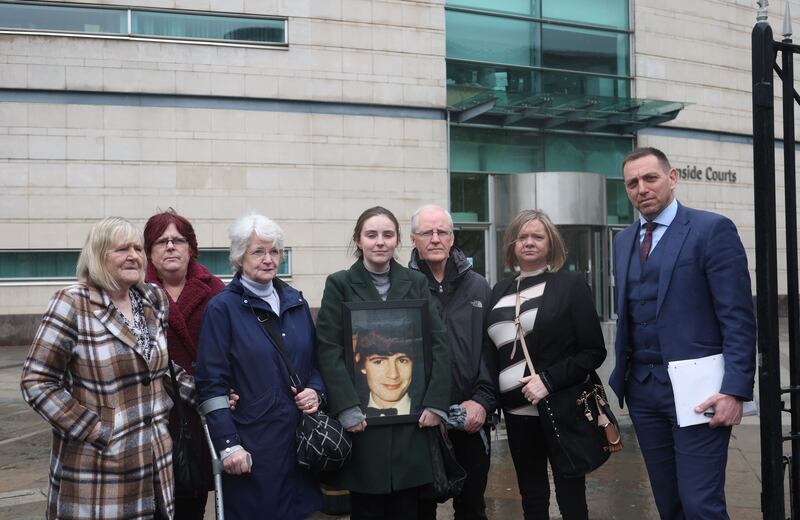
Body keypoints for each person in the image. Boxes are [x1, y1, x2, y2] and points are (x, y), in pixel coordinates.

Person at [609, 147, 756, 518]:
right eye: (632, 183)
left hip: (700, 391)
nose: (641, 188)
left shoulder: (711, 229)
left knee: (700, 503)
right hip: (643, 390)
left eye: (650, 178)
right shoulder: (623, 241)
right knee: (668, 503)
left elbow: (737, 317)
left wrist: (735, 390)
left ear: (672, 178)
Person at [21, 216, 195, 520]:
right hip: (98, 467)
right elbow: (36, 381)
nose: (134, 256)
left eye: (138, 249)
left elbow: (160, 369)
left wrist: (206, 393)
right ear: (99, 256)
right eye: (121, 249)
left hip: (155, 461)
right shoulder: (73, 302)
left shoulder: (152, 298)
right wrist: (95, 429)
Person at [315, 206, 451, 519]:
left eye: (387, 235)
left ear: (398, 241)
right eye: (371, 235)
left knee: (407, 509)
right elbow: (329, 349)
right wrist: (347, 407)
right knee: (367, 510)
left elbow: (439, 344)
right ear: (358, 240)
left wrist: (435, 403)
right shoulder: (339, 284)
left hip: (411, 425)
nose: (380, 242)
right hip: (362, 428)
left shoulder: (416, 282)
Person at [195, 213, 324, 520]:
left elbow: (316, 364)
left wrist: (317, 392)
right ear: (239, 257)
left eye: (274, 251)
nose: (268, 259)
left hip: (300, 445)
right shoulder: (222, 309)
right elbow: (210, 384)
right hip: (253, 448)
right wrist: (228, 446)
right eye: (257, 252)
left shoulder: (296, 302)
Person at [486, 209, 606, 520]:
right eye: (521, 237)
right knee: (532, 495)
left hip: (560, 408)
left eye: (537, 237)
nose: (529, 242)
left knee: (570, 496)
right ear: (511, 245)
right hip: (515, 415)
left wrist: (548, 381)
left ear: (550, 244)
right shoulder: (499, 290)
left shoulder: (570, 285)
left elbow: (593, 351)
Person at [408, 204, 495, 520]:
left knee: (472, 508)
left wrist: (483, 402)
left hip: (469, 418)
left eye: (441, 232)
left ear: (452, 237)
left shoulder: (479, 287)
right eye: (426, 232)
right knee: (419, 510)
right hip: (419, 422)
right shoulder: (403, 287)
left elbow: (490, 351)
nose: (434, 238)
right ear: (413, 239)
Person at [144, 209, 225, 518]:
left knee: (193, 501)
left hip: (205, 416)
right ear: (150, 251)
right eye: (161, 241)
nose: (170, 247)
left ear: (191, 247)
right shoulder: (135, 294)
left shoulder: (217, 291)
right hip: (158, 417)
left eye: (178, 240)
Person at [355, 331, 416, 416]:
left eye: (402, 360)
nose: (393, 375)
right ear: (362, 365)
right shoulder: (350, 412)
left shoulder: (428, 412)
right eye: (379, 362)